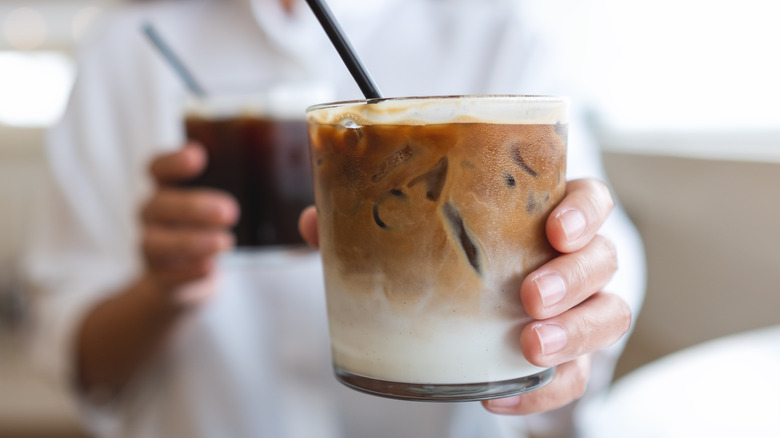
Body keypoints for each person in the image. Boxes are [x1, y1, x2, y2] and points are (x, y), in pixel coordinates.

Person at [23, 0, 646, 437]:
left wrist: (573, 312)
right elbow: (72, 351)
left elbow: (590, 242)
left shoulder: (501, 31)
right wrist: (162, 288)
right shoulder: (128, 44)